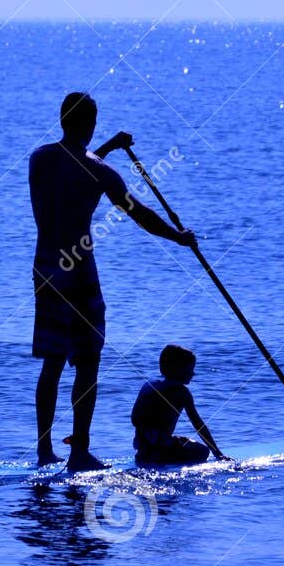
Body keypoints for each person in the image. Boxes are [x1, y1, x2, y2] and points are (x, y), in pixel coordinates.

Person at [29, 93, 195, 470]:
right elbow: (138, 214)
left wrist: (110, 149)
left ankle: (44, 451)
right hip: (79, 273)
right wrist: (178, 236)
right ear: (90, 124)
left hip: (45, 267)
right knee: (87, 362)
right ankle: (79, 452)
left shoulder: (39, 159)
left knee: (53, 362)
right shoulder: (101, 171)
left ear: (61, 120)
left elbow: (78, 166)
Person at [131, 345, 227, 467]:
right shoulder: (182, 393)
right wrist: (217, 452)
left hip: (142, 450)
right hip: (162, 450)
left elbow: (134, 418)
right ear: (178, 369)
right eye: (190, 369)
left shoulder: (148, 385)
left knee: (172, 440)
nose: (193, 373)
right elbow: (198, 424)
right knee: (202, 451)